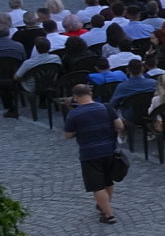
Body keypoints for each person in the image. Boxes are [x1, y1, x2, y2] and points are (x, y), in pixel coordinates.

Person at [53, 82, 123, 219]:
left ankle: (108, 214)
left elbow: (67, 135)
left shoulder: (74, 114)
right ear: (90, 94)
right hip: (109, 149)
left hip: (90, 153)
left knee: (97, 185)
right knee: (108, 181)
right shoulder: (106, 107)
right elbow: (119, 126)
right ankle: (104, 204)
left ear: (75, 97)